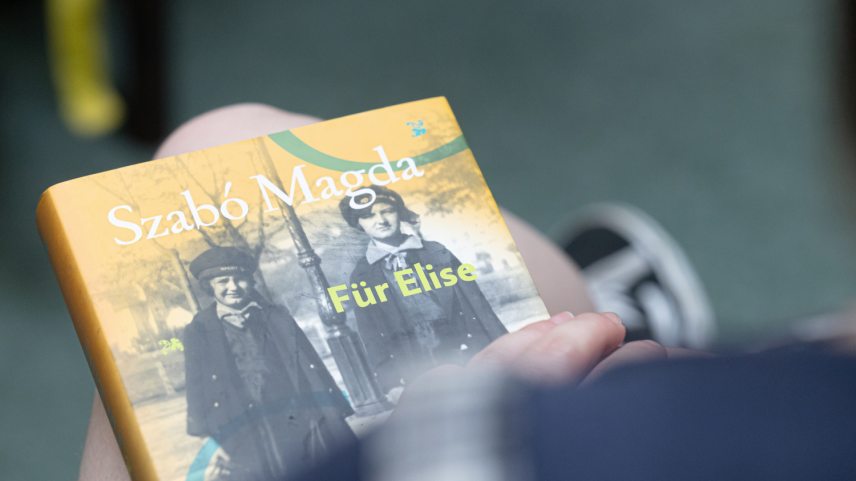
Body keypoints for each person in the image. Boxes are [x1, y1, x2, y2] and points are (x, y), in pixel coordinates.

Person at [77, 105, 856, 481]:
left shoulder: (503, 446)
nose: (382, 218)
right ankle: (629, 323)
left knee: (212, 143)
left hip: (472, 411)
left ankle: (616, 319)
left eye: (387, 209)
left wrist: (488, 407)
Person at [182, 246, 356, 481]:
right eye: (223, 281)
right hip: (246, 424)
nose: (233, 287)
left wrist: (334, 409)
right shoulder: (199, 330)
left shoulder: (276, 316)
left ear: (250, 281)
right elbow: (196, 387)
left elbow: (309, 363)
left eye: (240, 279)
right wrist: (205, 437)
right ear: (209, 286)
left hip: (298, 414)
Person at [338, 186, 508, 395]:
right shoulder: (362, 275)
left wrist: (502, 347)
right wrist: (390, 383)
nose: (380, 220)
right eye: (369, 216)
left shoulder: (435, 252)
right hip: (412, 361)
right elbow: (370, 333)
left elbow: (476, 304)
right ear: (359, 223)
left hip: (462, 347)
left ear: (399, 212)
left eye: (387, 211)